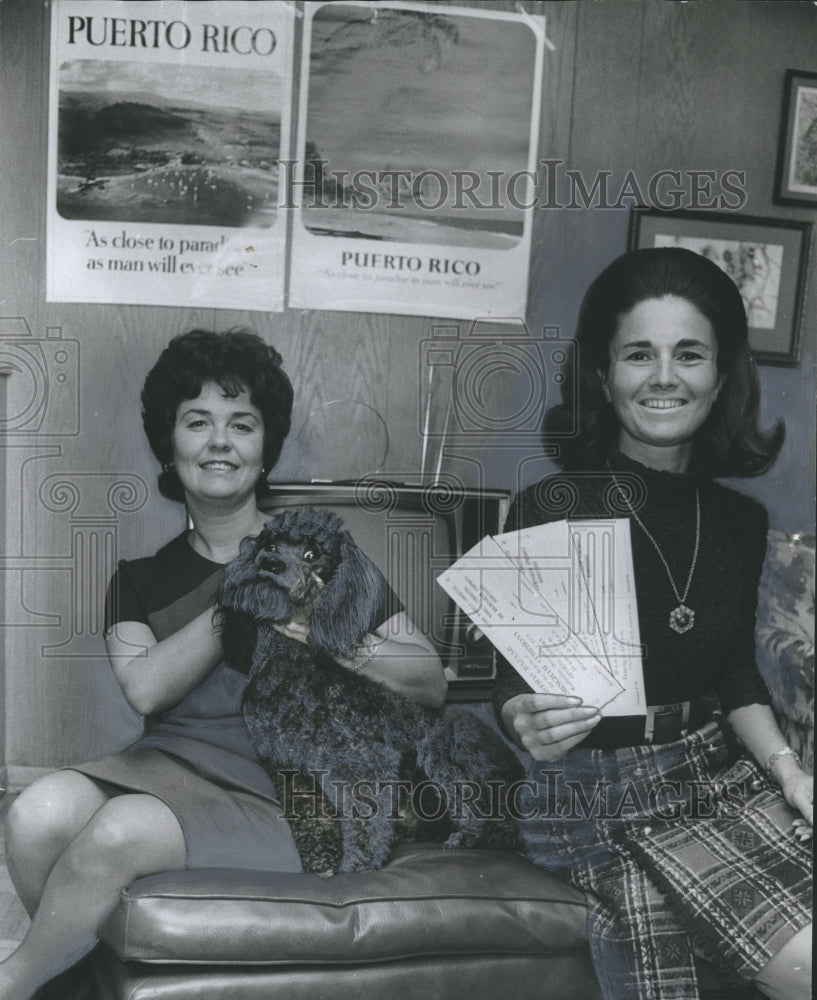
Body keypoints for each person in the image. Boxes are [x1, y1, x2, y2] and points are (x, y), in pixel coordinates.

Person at [1, 328, 445, 1000]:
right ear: (169, 442)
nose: (219, 442)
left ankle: (13, 984)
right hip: (169, 767)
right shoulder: (137, 578)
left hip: (288, 789)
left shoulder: (318, 553)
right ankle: (79, 986)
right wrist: (241, 594)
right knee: (36, 812)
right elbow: (146, 689)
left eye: (242, 424)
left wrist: (325, 628)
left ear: (264, 449)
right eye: (196, 422)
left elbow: (428, 678)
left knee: (120, 832)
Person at [493, 248, 812, 1000]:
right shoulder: (550, 504)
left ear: (722, 375)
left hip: (714, 773)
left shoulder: (739, 520)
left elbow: (736, 672)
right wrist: (519, 717)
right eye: (639, 353)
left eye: (688, 353)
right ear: (603, 378)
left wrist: (792, 773)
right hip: (590, 790)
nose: (663, 376)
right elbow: (512, 680)